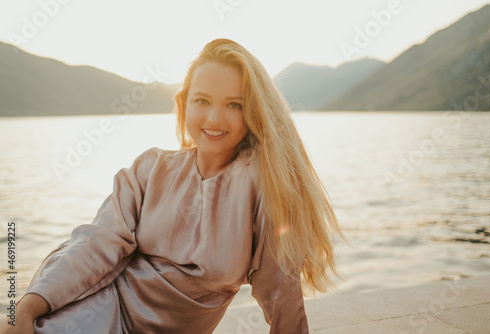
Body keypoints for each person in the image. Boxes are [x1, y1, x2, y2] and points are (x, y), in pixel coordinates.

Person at [0, 38, 343, 334]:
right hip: (93, 305)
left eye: (234, 105)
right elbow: (96, 243)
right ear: (183, 104)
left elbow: (280, 288)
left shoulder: (265, 186)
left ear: (253, 111)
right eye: (202, 101)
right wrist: (27, 308)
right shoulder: (151, 168)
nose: (214, 118)